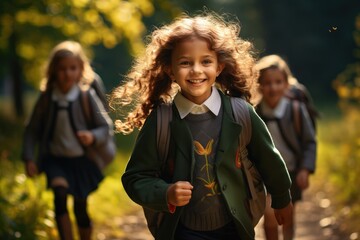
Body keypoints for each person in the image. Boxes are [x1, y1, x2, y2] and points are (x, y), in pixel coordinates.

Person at [110, 12, 293, 240]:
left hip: (234, 227)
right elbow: (135, 177)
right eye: (185, 62)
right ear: (170, 69)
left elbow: (269, 160)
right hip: (182, 231)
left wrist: (282, 199)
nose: (196, 70)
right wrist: (165, 192)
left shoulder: (241, 113)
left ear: (219, 67)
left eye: (206, 61)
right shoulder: (161, 120)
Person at [22, 40, 114, 240]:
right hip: (55, 160)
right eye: (62, 69)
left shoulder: (85, 96)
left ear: (81, 69)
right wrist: (29, 157)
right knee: (60, 195)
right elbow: (32, 130)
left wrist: (92, 136)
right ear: (53, 70)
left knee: (80, 207)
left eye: (72, 68)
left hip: (81, 160)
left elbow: (105, 127)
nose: (67, 73)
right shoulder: (46, 98)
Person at [255, 55, 317, 240]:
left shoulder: (296, 110)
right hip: (264, 175)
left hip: (291, 172)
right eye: (266, 82)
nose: (272, 87)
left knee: (287, 217)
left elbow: (309, 142)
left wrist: (305, 169)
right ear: (258, 85)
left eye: (278, 82)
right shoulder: (254, 112)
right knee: (270, 219)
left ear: (287, 84)